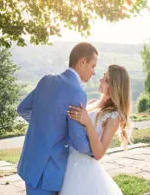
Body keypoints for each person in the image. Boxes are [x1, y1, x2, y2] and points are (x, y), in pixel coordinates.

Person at [17, 42, 98, 195]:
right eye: (93, 66)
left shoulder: (46, 80)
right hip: (48, 171)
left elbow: (22, 109)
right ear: (82, 62)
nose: (94, 72)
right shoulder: (77, 92)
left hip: (30, 165)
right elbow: (78, 141)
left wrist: (46, 126)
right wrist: (95, 151)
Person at [59, 64, 132, 195]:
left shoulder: (113, 116)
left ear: (115, 87)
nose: (100, 80)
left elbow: (99, 154)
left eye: (106, 80)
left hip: (84, 170)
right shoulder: (92, 103)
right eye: (104, 76)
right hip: (68, 161)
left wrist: (88, 123)